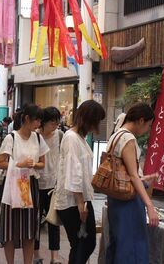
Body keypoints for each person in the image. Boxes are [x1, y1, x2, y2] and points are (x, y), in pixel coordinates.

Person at [105, 102, 158, 264]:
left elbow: (125, 173)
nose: (147, 130)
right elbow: (133, 176)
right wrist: (150, 206)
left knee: (120, 244)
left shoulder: (116, 135)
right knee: (132, 248)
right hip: (128, 202)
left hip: (116, 199)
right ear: (141, 120)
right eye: (148, 125)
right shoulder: (128, 138)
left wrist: (144, 178)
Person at [0, 104, 49, 264]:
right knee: (10, 228)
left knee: (30, 229)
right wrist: (20, 164)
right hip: (13, 184)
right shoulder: (11, 138)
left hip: (30, 185)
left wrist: (33, 165)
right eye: (37, 120)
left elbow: (42, 163)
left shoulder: (38, 138)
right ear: (26, 119)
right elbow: (0, 163)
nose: (39, 124)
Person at [54, 100, 105, 264]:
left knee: (85, 243)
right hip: (73, 201)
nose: (96, 126)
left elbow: (80, 170)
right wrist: (80, 204)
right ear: (89, 119)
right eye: (96, 121)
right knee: (82, 244)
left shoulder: (79, 138)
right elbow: (73, 172)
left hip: (79, 199)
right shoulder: (71, 138)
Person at [34, 107, 63, 264]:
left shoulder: (59, 135)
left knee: (54, 221)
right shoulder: (35, 136)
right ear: (43, 122)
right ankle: (36, 255)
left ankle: (55, 257)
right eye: (53, 123)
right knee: (35, 222)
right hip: (37, 184)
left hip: (54, 184)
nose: (56, 126)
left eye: (57, 122)